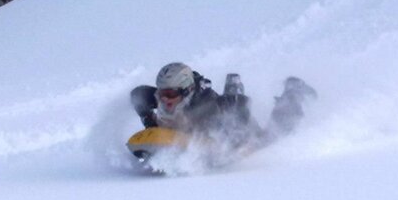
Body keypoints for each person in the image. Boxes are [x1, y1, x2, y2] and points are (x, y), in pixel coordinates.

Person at [130, 62, 315, 143]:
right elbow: (137, 94)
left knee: (274, 136)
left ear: (187, 90)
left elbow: (232, 143)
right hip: (220, 117)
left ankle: (294, 91)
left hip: (239, 125)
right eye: (162, 94)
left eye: (170, 94)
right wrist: (148, 119)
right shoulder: (161, 98)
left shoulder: (207, 106)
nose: (165, 100)